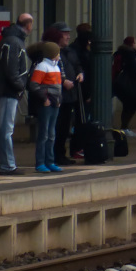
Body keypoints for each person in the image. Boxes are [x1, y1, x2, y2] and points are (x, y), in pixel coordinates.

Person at [0, 12, 33, 175]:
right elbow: (11, 70)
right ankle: (7, 165)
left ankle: (6, 164)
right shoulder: (14, 42)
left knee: (5, 129)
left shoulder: (11, 40)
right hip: (8, 90)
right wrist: (20, 86)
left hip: (6, 89)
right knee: (6, 129)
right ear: (28, 25)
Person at [51, 22, 85, 165]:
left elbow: (77, 65)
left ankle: (61, 154)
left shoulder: (70, 51)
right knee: (58, 127)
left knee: (65, 127)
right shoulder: (52, 51)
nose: (68, 36)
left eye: (68, 33)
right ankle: (55, 155)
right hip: (58, 96)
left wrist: (80, 73)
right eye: (65, 34)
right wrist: (63, 81)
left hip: (71, 95)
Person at [28, 41, 63, 173]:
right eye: (57, 53)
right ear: (52, 53)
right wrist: (44, 98)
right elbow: (34, 85)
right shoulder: (42, 66)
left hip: (54, 103)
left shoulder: (56, 67)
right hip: (46, 103)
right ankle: (41, 162)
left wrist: (59, 100)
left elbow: (58, 87)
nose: (59, 55)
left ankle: (50, 161)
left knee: (51, 133)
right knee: (44, 133)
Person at [68, 23, 93, 158]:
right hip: (82, 90)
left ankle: (78, 147)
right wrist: (88, 93)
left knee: (81, 120)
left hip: (81, 89)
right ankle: (78, 147)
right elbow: (86, 70)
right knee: (82, 120)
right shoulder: (81, 51)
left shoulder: (74, 48)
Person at [112, 35, 136, 137]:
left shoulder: (118, 53)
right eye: (135, 43)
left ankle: (122, 127)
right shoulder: (130, 55)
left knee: (126, 104)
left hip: (116, 82)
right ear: (131, 44)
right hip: (126, 84)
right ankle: (124, 127)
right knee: (131, 104)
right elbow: (134, 71)